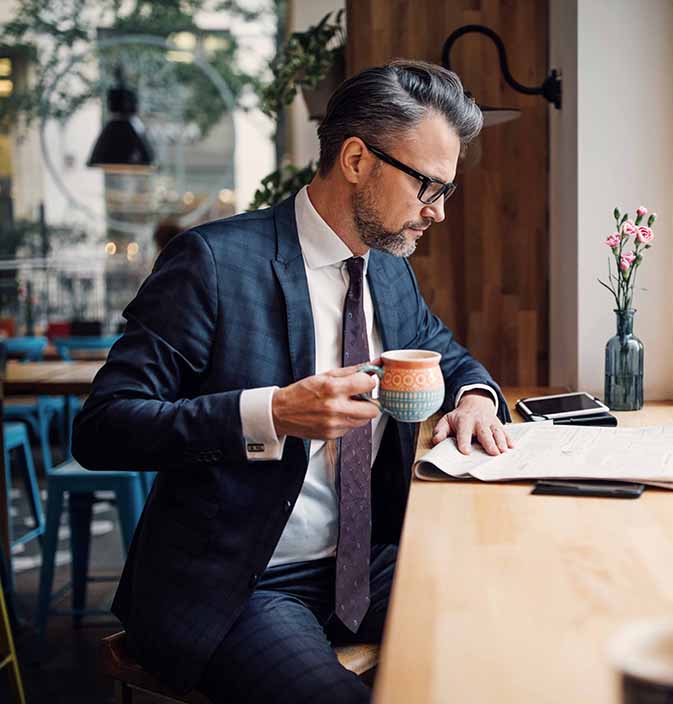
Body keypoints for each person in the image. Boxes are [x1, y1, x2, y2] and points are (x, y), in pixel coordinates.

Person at [71, 59, 513, 703]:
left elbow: (447, 354)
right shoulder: (215, 263)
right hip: (245, 582)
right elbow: (104, 426)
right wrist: (272, 414)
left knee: (525, 626)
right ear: (357, 161)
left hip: (370, 565)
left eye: (445, 190)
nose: (437, 213)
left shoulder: (387, 270)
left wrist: (474, 398)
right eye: (427, 187)